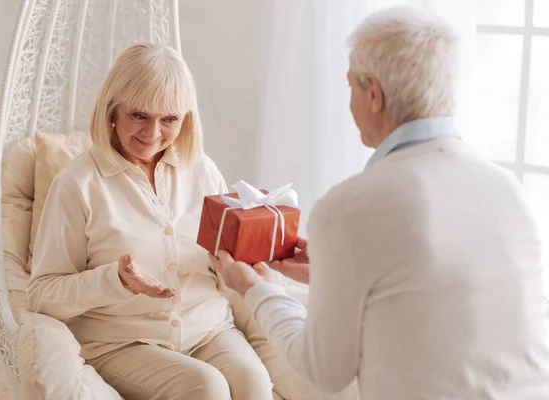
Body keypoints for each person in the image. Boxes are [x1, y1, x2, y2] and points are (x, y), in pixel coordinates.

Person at [211, 6, 549, 400]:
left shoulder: (351, 208)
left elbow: (324, 371)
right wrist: (331, 270)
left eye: (349, 85)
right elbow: (432, 297)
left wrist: (256, 289)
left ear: (373, 93)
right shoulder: (506, 190)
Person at [27, 43, 278, 400]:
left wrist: (253, 248)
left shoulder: (202, 171)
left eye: (169, 119)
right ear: (112, 111)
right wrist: (115, 281)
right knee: (206, 388)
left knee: (255, 383)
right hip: (121, 342)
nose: (153, 133)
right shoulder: (77, 184)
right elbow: (42, 295)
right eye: (140, 116)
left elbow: (223, 259)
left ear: (185, 119)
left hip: (209, 330)